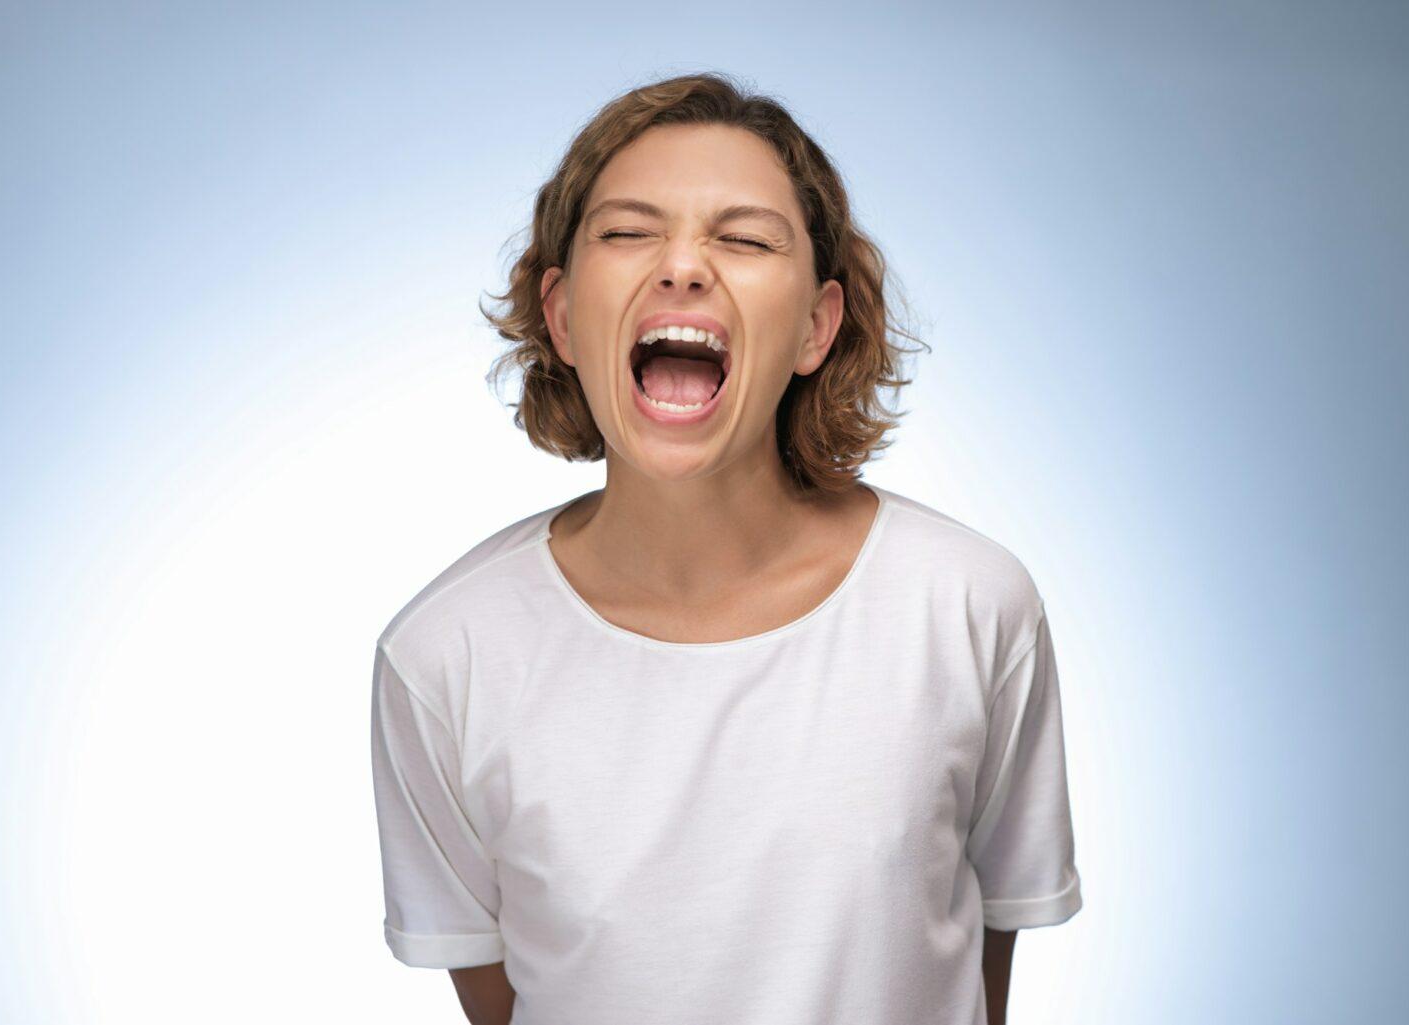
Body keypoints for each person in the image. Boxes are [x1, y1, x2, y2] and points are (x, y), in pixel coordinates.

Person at [370, 71, 1082, 1025]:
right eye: (627, 232)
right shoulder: (443, 657)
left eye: (744, 239)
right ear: (565, 316)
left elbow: (979, 970)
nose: (683, 266)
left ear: (817, 328)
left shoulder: (968, 607)